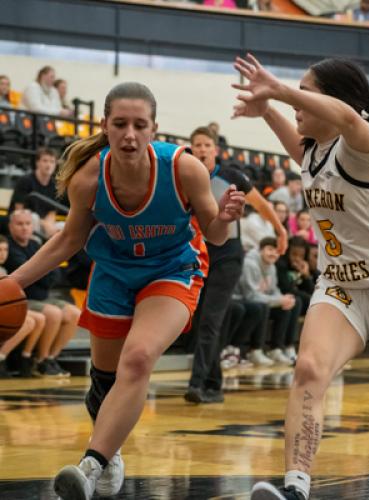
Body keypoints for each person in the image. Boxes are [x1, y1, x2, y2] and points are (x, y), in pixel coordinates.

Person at [4, 82, 245, 500]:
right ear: (105, 126)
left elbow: (217, 235)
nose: (129, 134)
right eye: (120, 124)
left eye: (139, 125)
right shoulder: (88, 180)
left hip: (172, 270)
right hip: (114, 271)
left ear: (154, 128)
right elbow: (67, 241)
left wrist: (224, 218)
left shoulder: (184, 169)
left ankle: (90, 464)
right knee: (104, 380)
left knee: (137, 359)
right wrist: (11, 283)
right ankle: (110, 452)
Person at [232, 53, 369, 500]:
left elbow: (351, 120)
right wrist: (269, 111)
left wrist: (276, 91)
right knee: (309, 368)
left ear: (333, 103)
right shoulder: (316, 151)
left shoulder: (366, 146)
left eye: (304, 94)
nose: (297, 103)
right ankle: (296, 488)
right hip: (342, 289)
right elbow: (300, 150)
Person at [185, 126, 286, 404]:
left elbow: (262, 205)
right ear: (191, 148)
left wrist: (280, 231)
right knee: (202, 323)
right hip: (198, 255)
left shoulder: (231, 176)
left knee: (209, 321)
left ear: (215, 149)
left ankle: (196, 384)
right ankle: (214, 385)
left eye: (207, 144)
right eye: (197, 144)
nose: (202, 149)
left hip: (228, 256)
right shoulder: (185, 176)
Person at [5, 209, 79, 377]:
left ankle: (51, 358)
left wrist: (43, 276)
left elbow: (55, 274)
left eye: (28, 223)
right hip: (22, 300)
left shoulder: (35, 244)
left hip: (42, 297)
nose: (24, 228)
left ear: (33, 226)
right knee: (53, 314)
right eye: (20, 224)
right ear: (10, 226)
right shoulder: (9, 248)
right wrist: (44, 276)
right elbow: (35, 278)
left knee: (74, 313)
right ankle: (40, 361)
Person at [237, 237, 301, 365]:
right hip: (242, 300)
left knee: (288, 306)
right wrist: (278, 300)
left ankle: (277, 349)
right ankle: (255, 350)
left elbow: (274, 290)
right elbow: (250, 295)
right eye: (270, 249)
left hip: (259, 301)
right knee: (263, 307)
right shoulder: (250, 264)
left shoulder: (271, 266)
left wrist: (282, 300)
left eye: (277, 251)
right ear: (261, 250)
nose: (273, 254)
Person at [0, 235, 46, 379]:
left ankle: (25, 359)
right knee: (28, 321)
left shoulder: (3, 270)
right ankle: (2, 358)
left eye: (5, 249)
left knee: (38, 319)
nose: (2, 253)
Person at [9, 147, 62, 238]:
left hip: (43, 223)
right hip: (22, 221)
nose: (48, 165)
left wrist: (49, 226)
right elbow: (19, 210)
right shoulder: (25, 180)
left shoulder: (55, 185)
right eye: (45, 161)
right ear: (37, 163)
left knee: (63, 226)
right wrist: (45, 224)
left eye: (52, 161)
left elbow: (52, 212)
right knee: (33, 218)